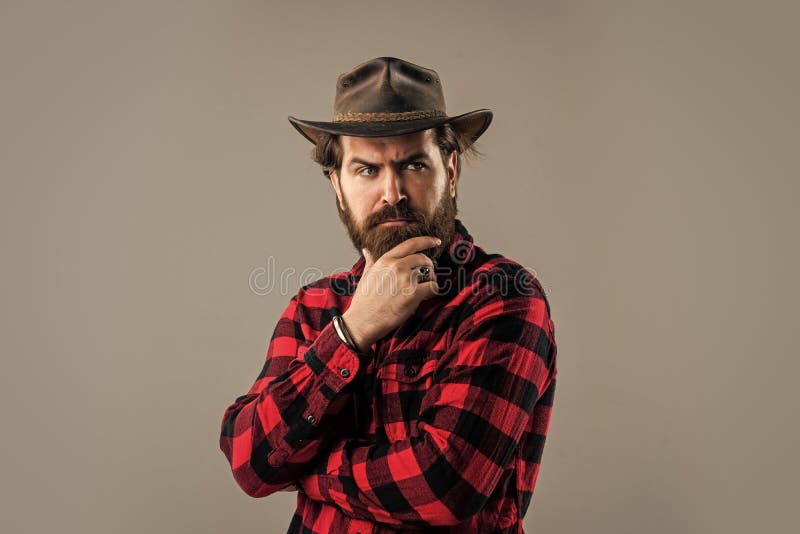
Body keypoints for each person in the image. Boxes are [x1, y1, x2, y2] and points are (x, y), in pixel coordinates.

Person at [219, 56, 558, 533]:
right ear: (337, 184)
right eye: (366, 171)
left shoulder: (504, 298)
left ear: (451, 170)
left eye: (414, 164)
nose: (392, 192)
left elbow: (444, 487)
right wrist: (351, 332)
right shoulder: (315, 307)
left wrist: (309, 471)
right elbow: (249, 461)